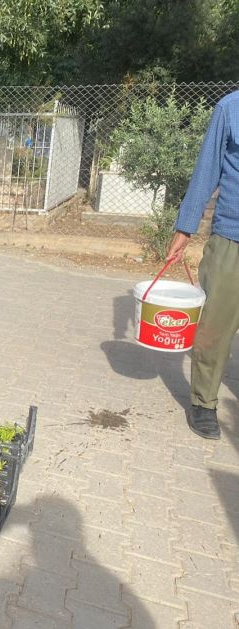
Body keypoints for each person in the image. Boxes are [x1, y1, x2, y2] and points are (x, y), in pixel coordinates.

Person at [166, 90, 239, 440]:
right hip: (232, 238)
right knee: (215, 327)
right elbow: (206, 171)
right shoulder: (231, 108)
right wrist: (185, 228)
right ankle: (204, 402)